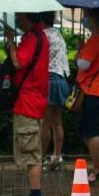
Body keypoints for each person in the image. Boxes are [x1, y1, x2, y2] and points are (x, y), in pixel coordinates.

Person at [5, 12, 49, 196]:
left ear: (29, 17)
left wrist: (11, 42)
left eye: (20, 16)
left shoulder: (33, 38)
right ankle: (34, 195)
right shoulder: (40, 37)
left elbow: (18, 62)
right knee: (31, 150)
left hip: (28, 103)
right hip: (32, 102)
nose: (17, 19)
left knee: (31, 153)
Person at [76, 8, 99, 183]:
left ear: (94, 19)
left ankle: (98, 169)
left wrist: (79, 52)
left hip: (92, 91)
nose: (85, 19)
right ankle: (97, 167)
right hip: (94, 90)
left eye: (87, 16)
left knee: (91, 132)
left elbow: (83, 64)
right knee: (86, 131)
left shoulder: (96, 39)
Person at [41, 11, 69, 172]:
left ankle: (42, 158)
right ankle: (57, 155)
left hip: (49, 80)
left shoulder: (43, 36)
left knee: (45, 123)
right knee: (57, 121)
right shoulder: (59, 35)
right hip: (61, 79)